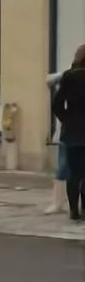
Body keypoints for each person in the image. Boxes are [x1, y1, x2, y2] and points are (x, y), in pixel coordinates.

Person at [53, 44, 85, 221]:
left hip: (72, 132)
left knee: (73, 173)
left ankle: (74, 210)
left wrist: (67, 119)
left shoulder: (69, 76)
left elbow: (56, 104)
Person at [44, 70, 68, 215]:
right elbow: (49, 80)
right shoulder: (70, 75)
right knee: (64, 165)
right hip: (71, 129)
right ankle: (57, 203)